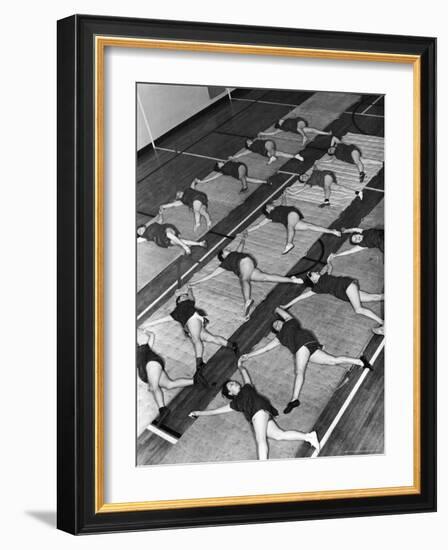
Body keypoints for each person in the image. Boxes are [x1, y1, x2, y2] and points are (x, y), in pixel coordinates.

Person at [238, 307, 372, 414]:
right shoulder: (279, 338)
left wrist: (275, 308)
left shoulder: (290, 322)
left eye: (278, 321)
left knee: (299, 371)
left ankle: (294, 399)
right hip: (308, 346)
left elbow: (281, 311)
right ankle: (360, 361)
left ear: (283, 321)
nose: (277, 324)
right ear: (276, 330)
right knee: (332, 360)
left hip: (302, 343)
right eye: (276, 325)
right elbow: (266, 348)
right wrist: (250, 355)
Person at [189, 364, 320, 460]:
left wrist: (240, 367)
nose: (235, 383)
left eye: (234, 382)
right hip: (261, 414)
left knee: (260, 440)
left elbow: (245, 374)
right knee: (279, 435)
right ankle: (309, 437)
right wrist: (198, 413)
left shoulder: (247, 388)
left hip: (258, 411)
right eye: (232, 385)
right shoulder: (235, 404)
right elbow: (215, 411)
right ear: (230, 393)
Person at [189, 233, 303, 319]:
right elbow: (211, 274)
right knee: (265, 277)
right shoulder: (225, 263)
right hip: (247, 266)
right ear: (223, 256)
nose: (228, 248)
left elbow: (240, 247)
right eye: (225, 250)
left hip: (245, 262)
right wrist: (196, 282)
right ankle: (292, 280)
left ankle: (247, 301)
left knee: (244, 280)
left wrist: (243, 239)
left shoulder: (234, 255)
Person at [141, 287, 238, 387]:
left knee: (196, 340)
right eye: (182, 297)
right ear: (178, 301)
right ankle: (232, 345)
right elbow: (162, 319)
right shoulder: (179, 310)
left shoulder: (183, 307)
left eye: (185, 296)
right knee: (210, 338)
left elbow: (190, 295)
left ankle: (199, 364)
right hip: (196, 319)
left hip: (192, 319)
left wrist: (189, 289)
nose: (184, 297)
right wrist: (148, 324)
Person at [282, 271, 384, 334]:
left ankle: (383, 324)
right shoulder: (318, 287)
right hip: (348, 287)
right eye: (311, 274)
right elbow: (302, 296)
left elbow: (329, 268)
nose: (315, 272)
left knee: (358, 309)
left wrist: (330, 259)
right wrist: (286, 305)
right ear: (312, 280)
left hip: (347, 286)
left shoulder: (323, 277)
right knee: (373, 297)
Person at [136, 328, 194, 422]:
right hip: (154, 364)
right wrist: (143, 330)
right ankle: (196, 380)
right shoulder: (145, 347)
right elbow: (152, 335)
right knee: (169, 384)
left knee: (153, 388)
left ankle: (163, 410)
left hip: (151, 364)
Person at [247, 201, 341, 255]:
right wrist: (246, 231)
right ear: (267, 210)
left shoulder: (279, 207)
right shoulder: (269, 217)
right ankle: (332, 231)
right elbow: (258, 225)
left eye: (271, 204)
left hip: (292, 213)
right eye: (269, 205)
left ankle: (289, 244)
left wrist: (284, 195)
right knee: (309, 226)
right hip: (290, 219)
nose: (272, 204)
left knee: (290, 226)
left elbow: (284, 204)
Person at [297, 163, 363, 208]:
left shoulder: (313, 171)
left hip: (326, 175)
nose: (303, 177)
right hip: (325, 182)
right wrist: (292, 192)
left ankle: (326, 201)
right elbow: (302, 188)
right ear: (304, 181)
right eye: (302, 179)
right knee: (339, 188)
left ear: (305, 174)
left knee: (326, 187)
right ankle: (358, 192)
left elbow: (315, 165)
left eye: (302, 176)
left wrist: (315, 163)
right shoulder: (309, 182)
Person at [137, 213, 207, 255]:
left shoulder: (152, 225)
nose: (140, 231)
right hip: (162, 239)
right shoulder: (144, 237)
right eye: (139, 232)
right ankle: (200, 244)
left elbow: (160, 221)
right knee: (179, 241)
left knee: (168, 234)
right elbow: (137, 241)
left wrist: (160, 214)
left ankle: (185, 247)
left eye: (140, 229)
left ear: (143, 227)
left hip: (165, 228)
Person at [193, 159, 266, 193]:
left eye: (220, 162)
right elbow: (213, 177)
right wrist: (202, 181)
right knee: (248, 179)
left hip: (240, 167)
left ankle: (245, 187)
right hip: (238, 173)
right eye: (219, 163)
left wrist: (232, 158)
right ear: (218, 167)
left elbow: (235, 160)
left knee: (242, 177)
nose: (220, 162)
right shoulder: (222, 172)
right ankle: (265, 181)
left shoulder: (227, 162)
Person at [258, 116, 331, 145]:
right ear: (279, 124)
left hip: (299, 123)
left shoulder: (285, 123)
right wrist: (263, 133)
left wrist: (263, 133)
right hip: (299, 127)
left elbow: (273, 133)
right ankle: (327, 134)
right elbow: (273, 133)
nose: (280, 120)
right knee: (312, 130)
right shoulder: (282, 128)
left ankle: (304, 136)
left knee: (299, 128)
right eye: (279, 121)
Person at [230, 138, 304, 166]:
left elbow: (263, 139)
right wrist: (234, 157)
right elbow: (242, 153)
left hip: (267, 143)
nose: (249, 140)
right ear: (247, 145)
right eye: (248, 141)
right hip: (266, 152)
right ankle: (295, 156)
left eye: (249, 140)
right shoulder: (250, 150)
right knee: (280, 153)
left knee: (269, 149)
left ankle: (272, 157)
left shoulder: (256, 141)